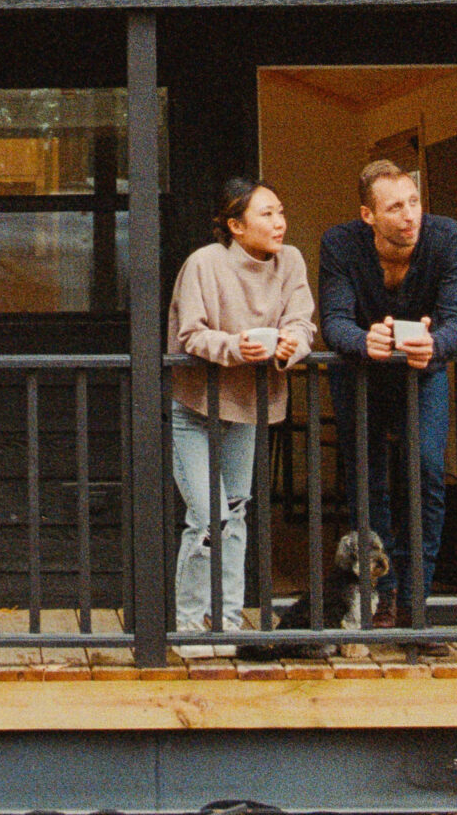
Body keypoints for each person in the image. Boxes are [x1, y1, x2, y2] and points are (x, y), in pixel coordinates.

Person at [319, 158, 457, 635]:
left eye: (414, 202)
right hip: (359, 375)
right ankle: (380, 596)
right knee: (367, 481)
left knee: (427, 471)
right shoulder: (340, 243)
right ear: (369, 215)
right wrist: (360, 340)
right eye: (395, 207)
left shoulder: (446, 237)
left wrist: (438, 343)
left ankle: (415, 603)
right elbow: (334, 320)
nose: (410, 215)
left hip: (421, 372)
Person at [166, 178, 316, 653]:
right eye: (267, 214)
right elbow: (190, 334)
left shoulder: (291, 261)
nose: (280, 223)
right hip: (197, 406)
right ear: (235, 225)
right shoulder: (204, 264)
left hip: (249, 405)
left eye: (281, 211)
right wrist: (235, 347)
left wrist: (292, 346)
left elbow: (302, 320)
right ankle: (191, 623)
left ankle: (228, 620)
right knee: (208, 517)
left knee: (235, 511)